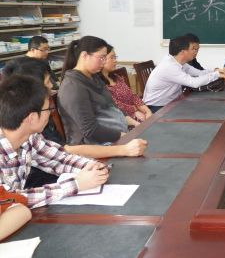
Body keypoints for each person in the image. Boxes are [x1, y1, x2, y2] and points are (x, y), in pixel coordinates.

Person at [3, 58, 147, 164]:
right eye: (47, 82)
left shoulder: (33, 136)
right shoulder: (30, 125)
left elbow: (61, 155)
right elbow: (69, 150)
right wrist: (122, 148)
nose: (52, 86)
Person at [0, 75, 109, 208]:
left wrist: (93, 167)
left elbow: (59, 159)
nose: (50, 113)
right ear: (32, 118)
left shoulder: (29, 137)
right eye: (48, 109)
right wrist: (76, 184)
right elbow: (10, 200)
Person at [58, 36, 129, 145]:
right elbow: (90, 130)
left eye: (105, 58)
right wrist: (122, 136)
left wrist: (130, 124)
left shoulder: (93, 77)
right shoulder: (72, 87)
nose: (104, 62)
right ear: (84, 55)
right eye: (101, 57)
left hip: (115, 135)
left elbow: (112, 106)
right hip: (92, 144)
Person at [143, 35, 225, 112]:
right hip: (156, 108)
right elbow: (194, 83)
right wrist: (216, 75)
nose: (196, 52)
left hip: (171, 103)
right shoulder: (170, 67)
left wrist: (215, 70)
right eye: (193, 49)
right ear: (183, 52)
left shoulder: (178, 62)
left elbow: (199, 73)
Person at [101, 44, 152, 125]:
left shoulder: (116, 77)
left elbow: (132, 96)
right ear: (101, 59)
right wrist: (135, 110)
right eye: (112, 57)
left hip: (137, 114)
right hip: (123, 121)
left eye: (115, 57)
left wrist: (147, 111)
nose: (115, 60)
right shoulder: (98, 83)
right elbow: (116, 105)